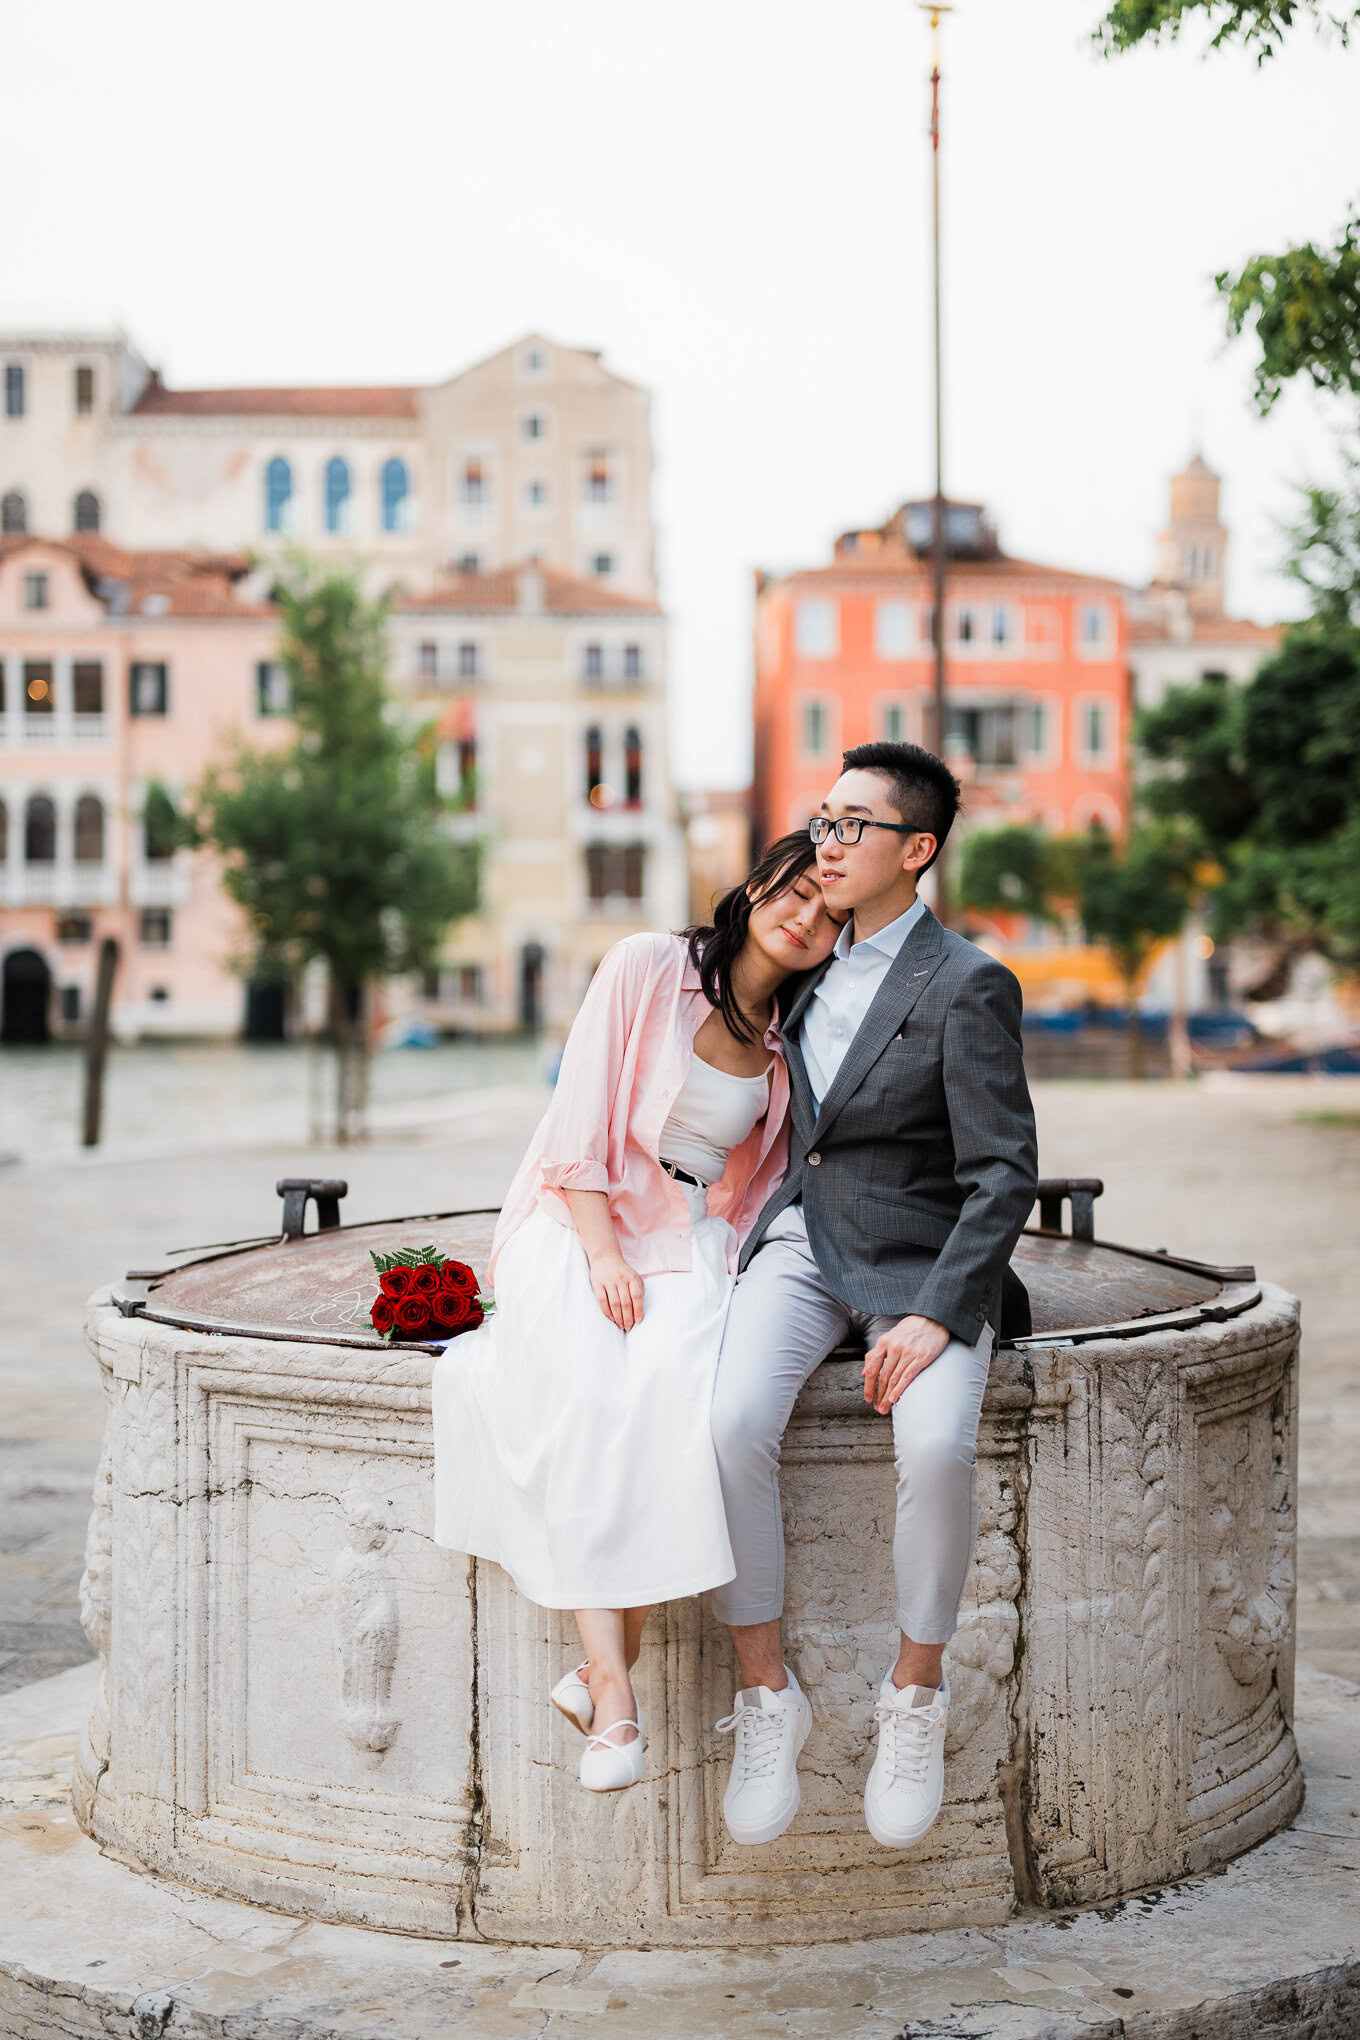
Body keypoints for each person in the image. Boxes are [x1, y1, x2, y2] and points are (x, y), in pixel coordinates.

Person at [431, 834, 844, 1794]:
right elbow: (576, 1127)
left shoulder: (787, 1042)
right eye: (795, 895)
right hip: (577, 1219)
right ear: (755, 886)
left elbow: (755, 1188)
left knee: (679, 1405)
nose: (805, 921)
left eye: (829, 919)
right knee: (586, 1385)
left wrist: (730, 1265)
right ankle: (616, 1697)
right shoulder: (647, 967)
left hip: (692, 1238)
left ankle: (592, 1672)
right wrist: (603, 1253)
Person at [708, 742, 1038, 1851]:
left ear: (918, 850)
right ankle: (767, 1694)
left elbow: (1002, 1174)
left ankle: (915, 1692)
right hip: (801, 1242)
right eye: (823, 818)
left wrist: (940, 1310)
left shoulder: (966, 981)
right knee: (731, 1421)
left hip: (925, 1255)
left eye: (854, 826)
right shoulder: (804, 963)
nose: (827, 842)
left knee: (938, 1442)